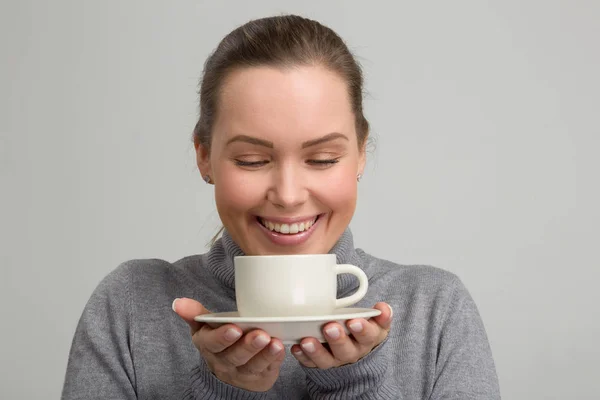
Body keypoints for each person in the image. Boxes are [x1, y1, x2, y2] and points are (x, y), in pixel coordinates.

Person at [62, 14, 501, 399]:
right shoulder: (131, 305)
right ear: (203, 156)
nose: (288, 195)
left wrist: (355, 387)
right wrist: (224, 391)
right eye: (252, 161)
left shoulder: (436, 309)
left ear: (362, 154)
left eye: (323, 159)